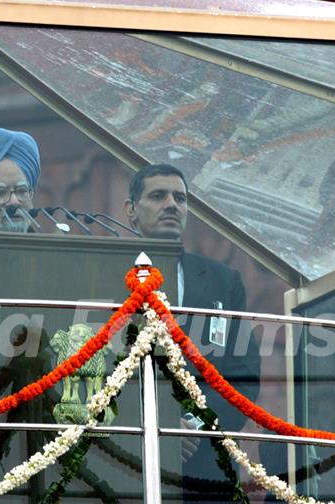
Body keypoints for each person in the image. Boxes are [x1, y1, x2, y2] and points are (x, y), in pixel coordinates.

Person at [125, 163, 261, 501]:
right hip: (126, 460)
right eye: (158, 196)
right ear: (131, 211)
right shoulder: (105, 273)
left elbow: (243, 377)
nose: (172, 204)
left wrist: (192, 424)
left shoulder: (222, 280)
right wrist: (153, 426)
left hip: (206, 466)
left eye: (180, 198)